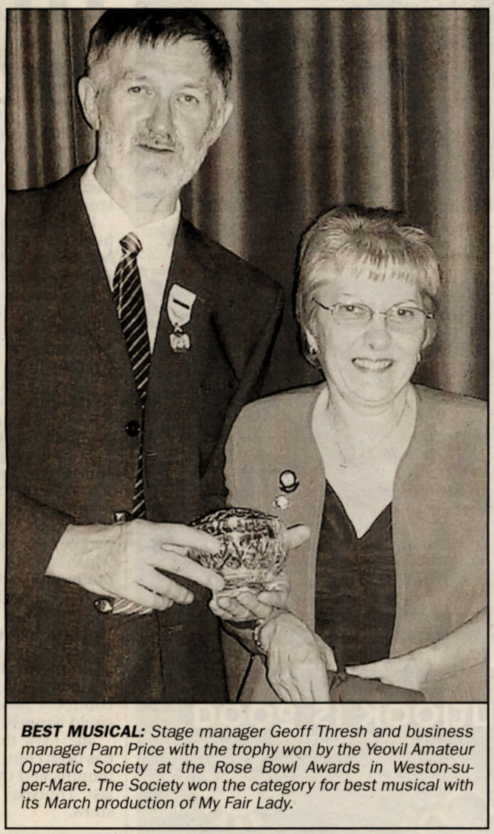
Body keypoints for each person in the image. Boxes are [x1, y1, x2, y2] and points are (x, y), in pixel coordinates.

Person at [6, 10, 285, 702]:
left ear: (217, 119)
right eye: (138, 90)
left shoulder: (247, 300)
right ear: (90, 100)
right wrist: (61, 547)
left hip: (177, 692)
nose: (162, 123)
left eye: (188, 98)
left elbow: (216, 493)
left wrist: (240, 580)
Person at [224, 206, 486, 702]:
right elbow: (234, 588)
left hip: (450, 726)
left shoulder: (480, 437)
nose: (378, 337)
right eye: (351, 309)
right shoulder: (260, 431)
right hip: (293, 733)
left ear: (426, 332)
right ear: (311, 327)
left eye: (402, 313)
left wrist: (428, 665)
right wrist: (273, 626)